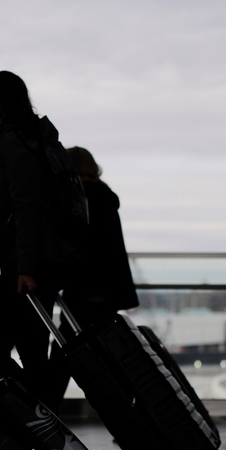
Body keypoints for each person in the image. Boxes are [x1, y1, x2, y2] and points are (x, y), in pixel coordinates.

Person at [0, 71, 75, 406]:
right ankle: (42, 424)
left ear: (1, 103)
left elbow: (27, 207)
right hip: (43, 258)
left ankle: (34, 416)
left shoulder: (15, 141)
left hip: (27, 263)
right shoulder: (35, 139)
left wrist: (26, 268)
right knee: (32, 353)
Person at [46, 147, 139, 411]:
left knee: (65, 350)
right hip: (103, 290)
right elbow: (109, 249)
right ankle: (133, 411)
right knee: (106, 353)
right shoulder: (103, 197)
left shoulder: (85, 199)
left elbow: (93, 249)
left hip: (88, 289)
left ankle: (47, 409)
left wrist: (93, 288)